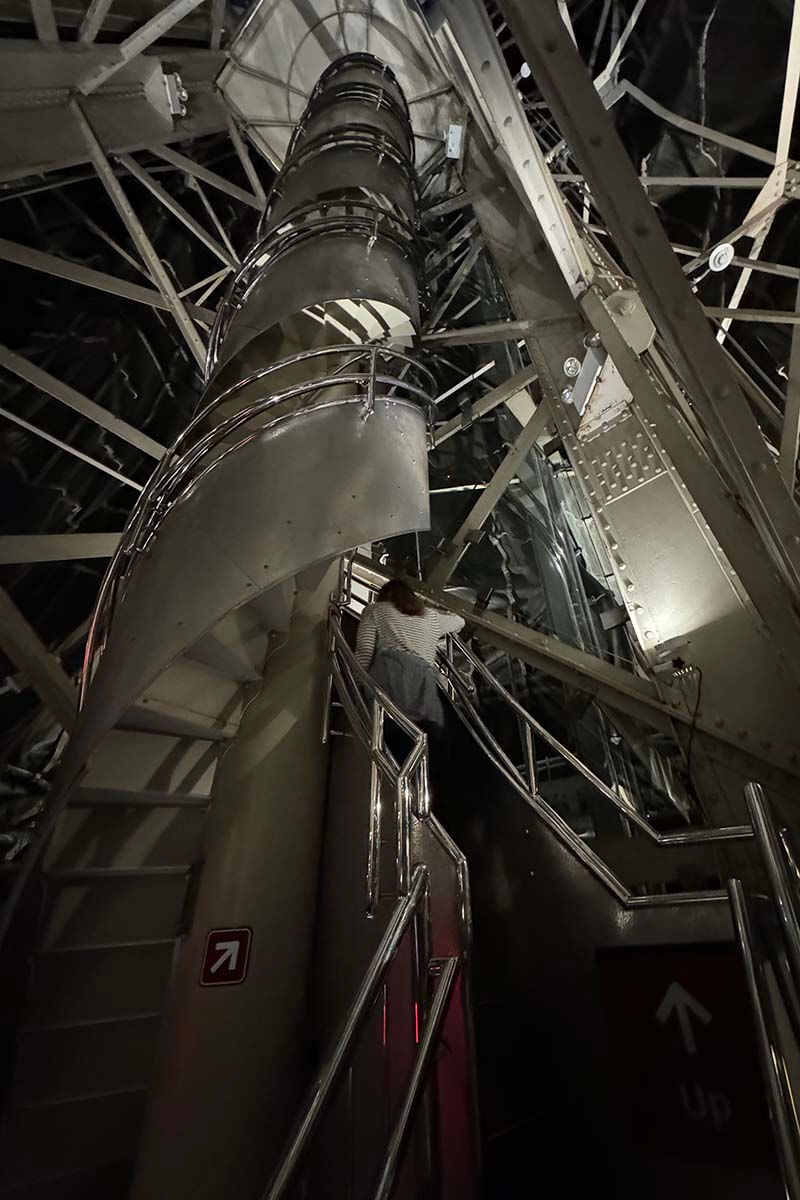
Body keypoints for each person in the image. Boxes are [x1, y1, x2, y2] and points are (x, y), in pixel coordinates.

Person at [355, 579, 465, 736]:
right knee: (424, 732)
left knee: (387, 726)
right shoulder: (431, 617)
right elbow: (460, 621)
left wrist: (357, 687)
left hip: (390, 671)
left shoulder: (375, 610)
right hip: (423, 679)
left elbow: (364, 651)